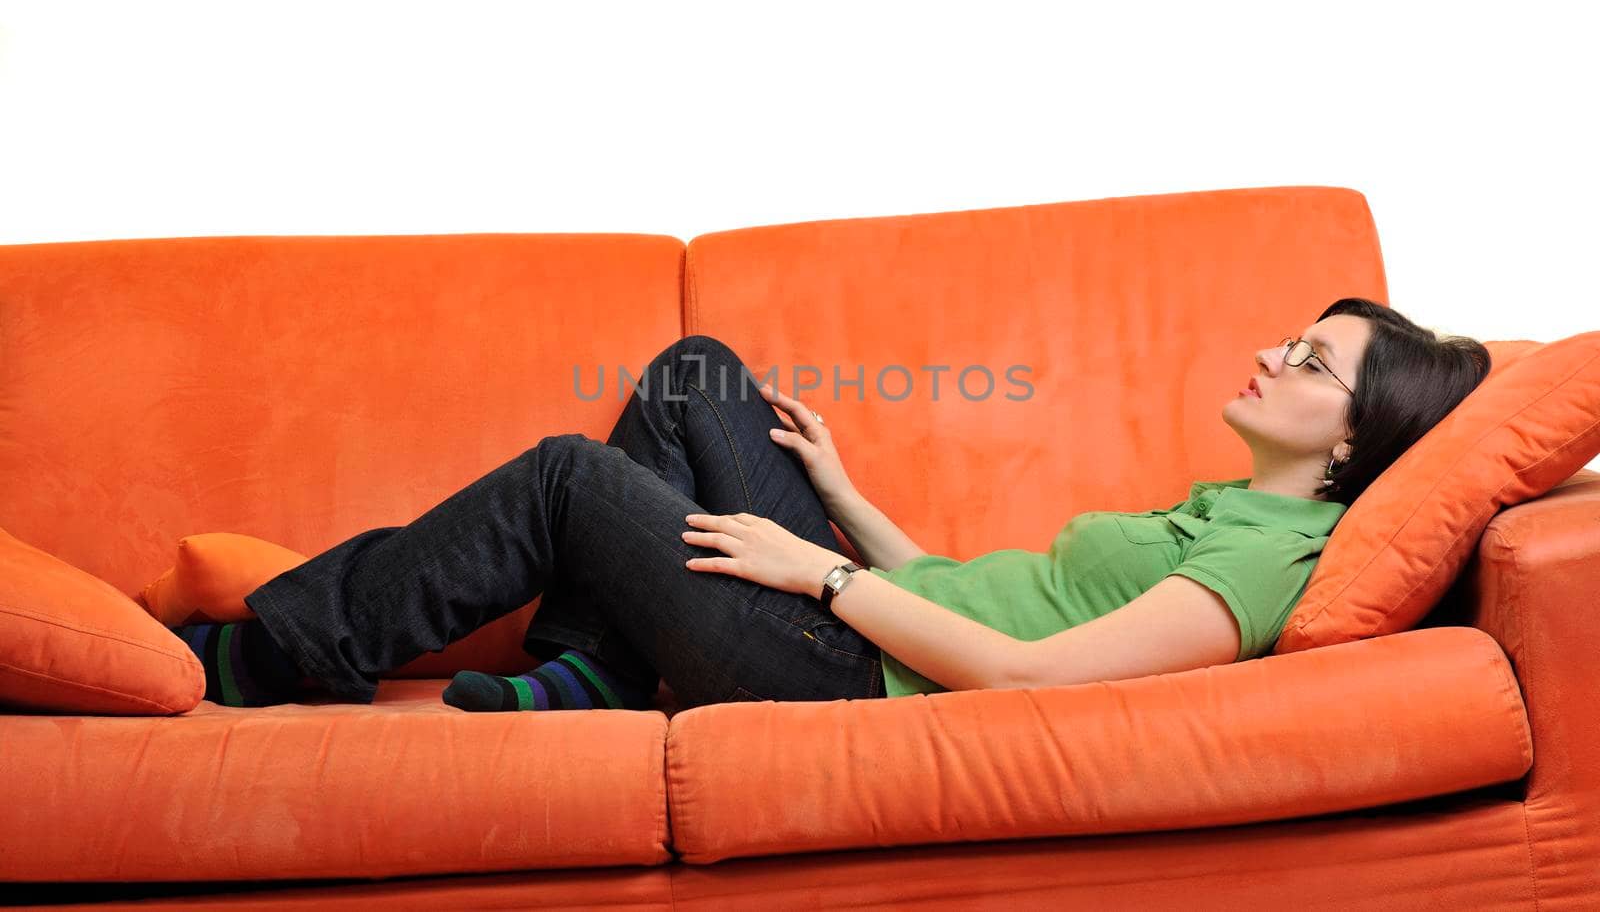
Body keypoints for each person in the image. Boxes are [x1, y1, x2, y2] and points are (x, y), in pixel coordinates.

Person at [173, 297, 1489, 711]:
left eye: (1311, 363)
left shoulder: (1270, 568)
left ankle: (278, 650)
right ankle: (600, 676)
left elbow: (1030, 679)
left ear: (1355, 441)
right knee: (696, 380)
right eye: (1296, 339)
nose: (1273, 356)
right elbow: (984, 587)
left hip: (848, 664)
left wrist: (818, 577)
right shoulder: (1229, 510)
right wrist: (847, 498)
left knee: (569, 478)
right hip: (871, 612)